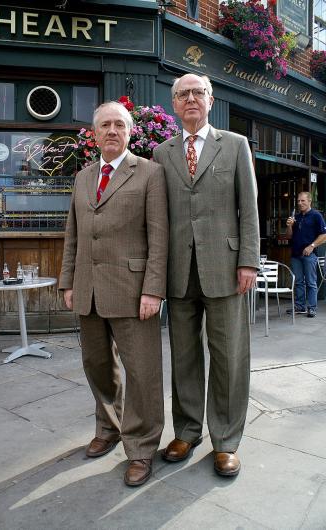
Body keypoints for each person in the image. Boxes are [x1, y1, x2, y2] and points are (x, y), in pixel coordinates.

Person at [153, 73, 260, 477]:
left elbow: (248, 209)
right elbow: (157, 218)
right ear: (174, 104)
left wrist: (248, 260)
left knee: (229, 357)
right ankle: (187, 430)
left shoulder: (234, 145)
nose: (191, 99)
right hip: (178, 272)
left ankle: (227, 441)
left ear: (211, 100)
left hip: (227, 269)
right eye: (183, 94)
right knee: (184, 358)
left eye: (198, 92)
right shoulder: (161, 154)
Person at [59, 101, 168, 487]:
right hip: (88, 288)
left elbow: (159, 237)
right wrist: (68, 282)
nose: (111, 130)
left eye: (119, 125)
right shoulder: (84, 177)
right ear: (94, 132)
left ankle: (141, 448)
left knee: (142, 374)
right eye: (104, 124)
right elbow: (73, 234)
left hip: (134, 290)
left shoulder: (150, 174)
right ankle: (108, 427)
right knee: (97, 365)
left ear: (130, 132)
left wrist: (153, 289)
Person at [286, 191, 326, 318]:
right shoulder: (296, 217)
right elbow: (289, 236)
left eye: (303, 201)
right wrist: (289, 226)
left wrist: (312, 246)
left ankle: (312, 308)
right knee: (298, 282)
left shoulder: (316, 215)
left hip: (309, 255)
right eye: (298, 201)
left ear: (309, 201)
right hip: (296, 254)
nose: (300, 203)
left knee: (311, 282)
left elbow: (324, 235)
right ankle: (300, 306)